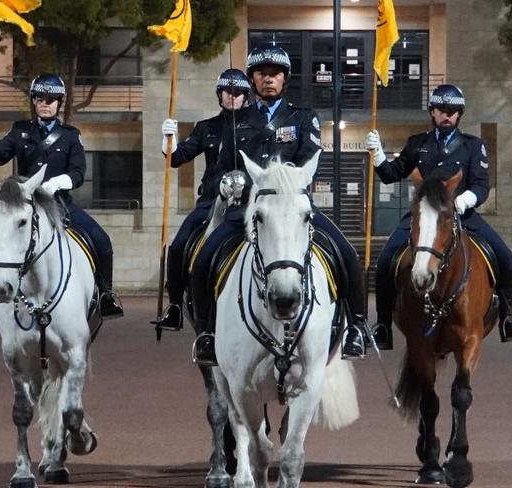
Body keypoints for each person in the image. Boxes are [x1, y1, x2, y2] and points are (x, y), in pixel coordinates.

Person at [190, 45, 366, 365]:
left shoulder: (304, 117)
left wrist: (283, 181)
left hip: (294, 208)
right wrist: (230, 183)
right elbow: (224, 165)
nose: (268, 79)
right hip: (248, 209)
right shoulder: (234, 121)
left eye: (275, 74)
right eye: (261, 74)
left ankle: (357, 327)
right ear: (252, 80)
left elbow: (310, 158)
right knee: (203, 259)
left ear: (285, 79)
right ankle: (206, 333)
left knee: (347, 254)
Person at [365, 83, 512, 349]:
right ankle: (383, 326)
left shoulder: (473, 146)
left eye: (453, 111)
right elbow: (391, 175)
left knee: (504, 256)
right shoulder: (417, 144)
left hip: (463, 214)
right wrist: (379, 156)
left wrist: (464, 200)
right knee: (385, 261)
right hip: (424, 216)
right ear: (432, 111)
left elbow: (481, 185)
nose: (447, 115)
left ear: (460, 114)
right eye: (441, 109)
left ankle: (508, 317)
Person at [0, 73, 123, 324]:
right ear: (33, 101)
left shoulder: (70, 135)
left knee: (102, 240)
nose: (45, 103)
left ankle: (106, 296)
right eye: (40, 98)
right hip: (24, 205)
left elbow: (78, 173)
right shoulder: (20, 131)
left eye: (51, 99)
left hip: (60, 205)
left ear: (59, 103)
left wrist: (58, 182)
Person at [152, 69, 252, 331]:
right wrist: (168, 142)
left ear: (246, 96)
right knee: (177, 247)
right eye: (227, 92)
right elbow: (177, 159)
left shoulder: (257, 127)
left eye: (238, 92)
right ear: (219, 95)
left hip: (247, 203)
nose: (232, 97)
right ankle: (174, 306)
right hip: (210, 203)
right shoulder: (206, 128)